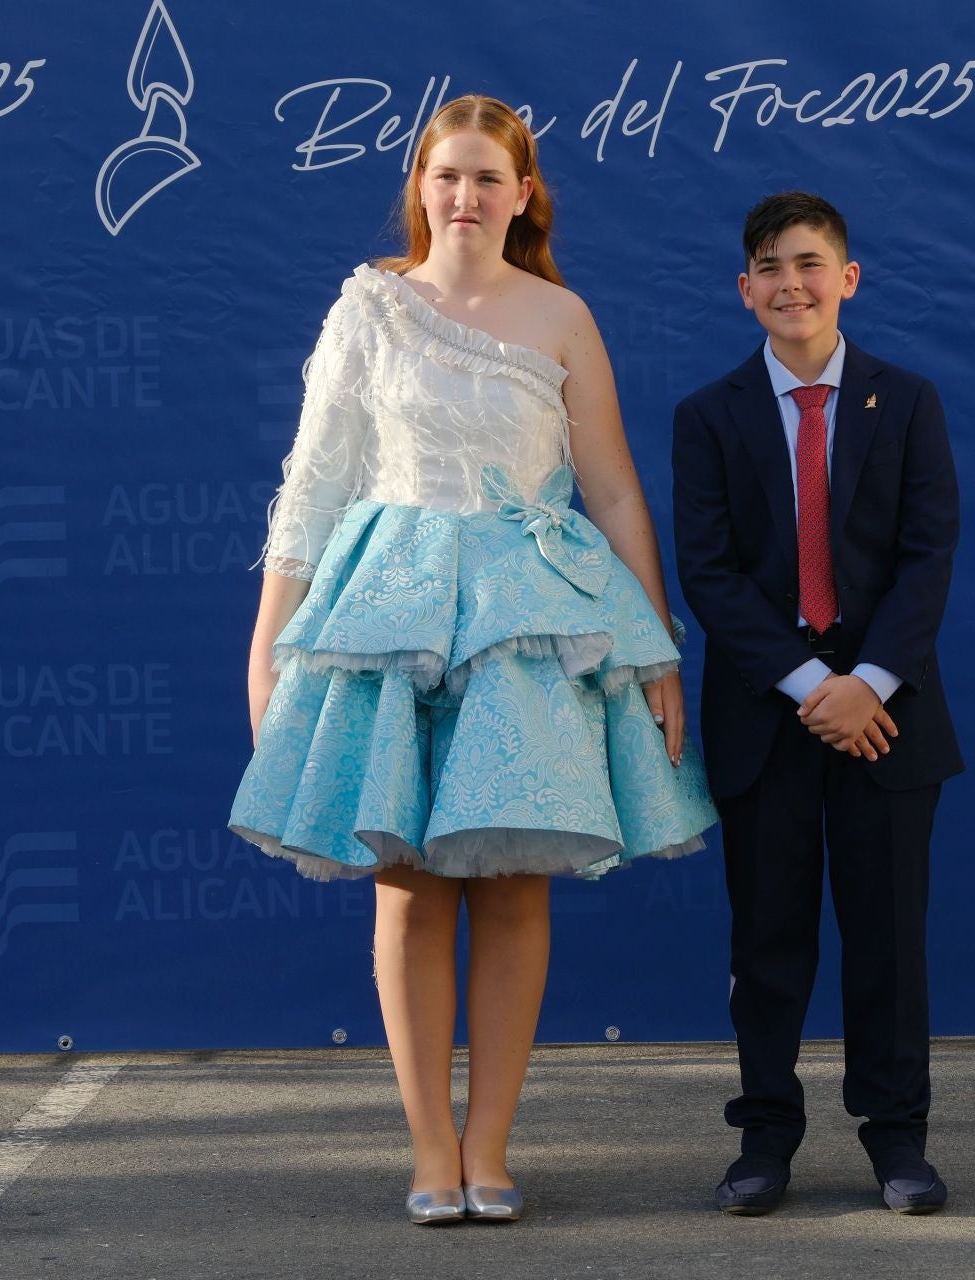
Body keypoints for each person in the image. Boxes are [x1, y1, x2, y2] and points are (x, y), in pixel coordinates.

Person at [230, 94, 716, 1226]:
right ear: (419, 186)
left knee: (510, 888)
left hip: (523, 629)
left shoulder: (563, 315)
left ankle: (489, 1146)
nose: (465, 196)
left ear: (523, 194)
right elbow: (315, 484)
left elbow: (612, 490)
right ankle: (429, 1150)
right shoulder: (368, 307)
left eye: (488, 178)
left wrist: (656, 645)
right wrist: (268, 642)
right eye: (446, 175)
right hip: (391, 616)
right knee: (407, 888)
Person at [671, 192, 964, 1216]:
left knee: (889, 941)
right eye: (769, 266)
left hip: (888, 717)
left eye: (808, 263)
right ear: (743, 289)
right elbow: (708, 573)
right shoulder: (708, 416)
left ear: (848, 278)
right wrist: (809, 686)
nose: (789, 283)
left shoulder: (908, 401)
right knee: (768, 942)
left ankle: (898, 1138)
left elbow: (928, 556)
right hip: (769, 715)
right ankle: (764, 1138)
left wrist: (866, 683)